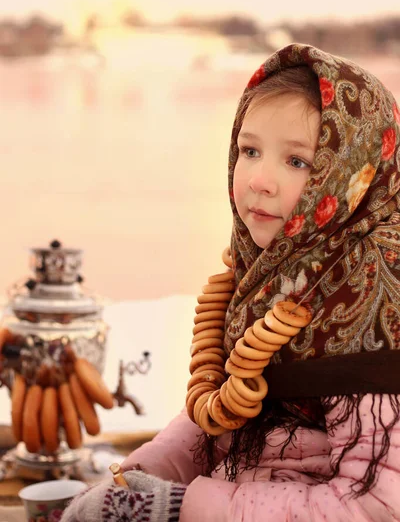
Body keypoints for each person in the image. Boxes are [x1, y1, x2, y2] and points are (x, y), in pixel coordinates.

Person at [61, 43, 400, 521]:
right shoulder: (279, 265)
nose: (259, 179)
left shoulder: (376, 287)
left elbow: (380, 504)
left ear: (351, 175)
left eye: (298, 161)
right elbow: (225, 412)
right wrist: (135, 481)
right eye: (250, 150)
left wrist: (182, 508)